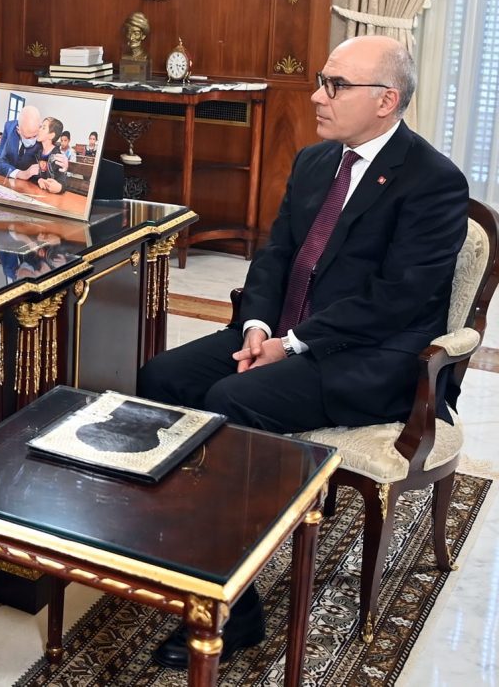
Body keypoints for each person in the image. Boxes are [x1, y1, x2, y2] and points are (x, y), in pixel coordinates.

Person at [136, 35, 469, 669]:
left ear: (386, 100)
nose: (317, 95)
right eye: (321, 80)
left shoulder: (434, 183)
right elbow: (277, 253)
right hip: (284, 333)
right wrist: (258, 326)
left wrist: (291, 344)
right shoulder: (317, 161)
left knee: (231, 400)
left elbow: (396, 300)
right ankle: (187, 546)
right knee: (161, 377)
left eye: (335, 86)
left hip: (367, 358)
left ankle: (235, 609)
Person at [34, 117, 69, 195]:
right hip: (38, 193)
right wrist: (39, 180)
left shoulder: (58, 156)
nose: (39, 130)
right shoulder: (38, 152)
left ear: (51, 135)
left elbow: (63, 181)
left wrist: (59, 188)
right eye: (40, 127)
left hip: (51, 196)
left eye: (43, 128)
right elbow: (34, 174)